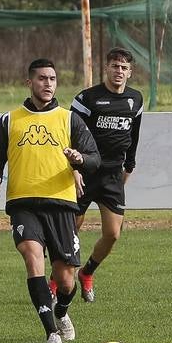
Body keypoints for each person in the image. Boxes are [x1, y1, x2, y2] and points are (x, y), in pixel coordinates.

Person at [0, 59, 100, 343]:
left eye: (52, 79)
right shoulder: (10, 120)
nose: (48, 84)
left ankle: (61, 311)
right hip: (24, 204)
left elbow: (94, 159)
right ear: (30, 83)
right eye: (42, 79)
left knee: (66, 280)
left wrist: (79, 160)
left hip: (61, 205)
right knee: (32, 256)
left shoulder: (68, 119)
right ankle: (51, 333)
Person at [68, 47, 144, 303]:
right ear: (106, 68)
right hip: (86, 171)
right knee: (71, 231)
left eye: (124, 67)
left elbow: (134, 136)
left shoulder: (136, 100)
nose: (119, 71)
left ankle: (87, 273)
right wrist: (75, 169)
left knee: (113, 233)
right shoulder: (86, 98)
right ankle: (58, 281)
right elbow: (71, 136)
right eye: (115, 66)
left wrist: (129, 166)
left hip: (113, 174)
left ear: (130, 72)